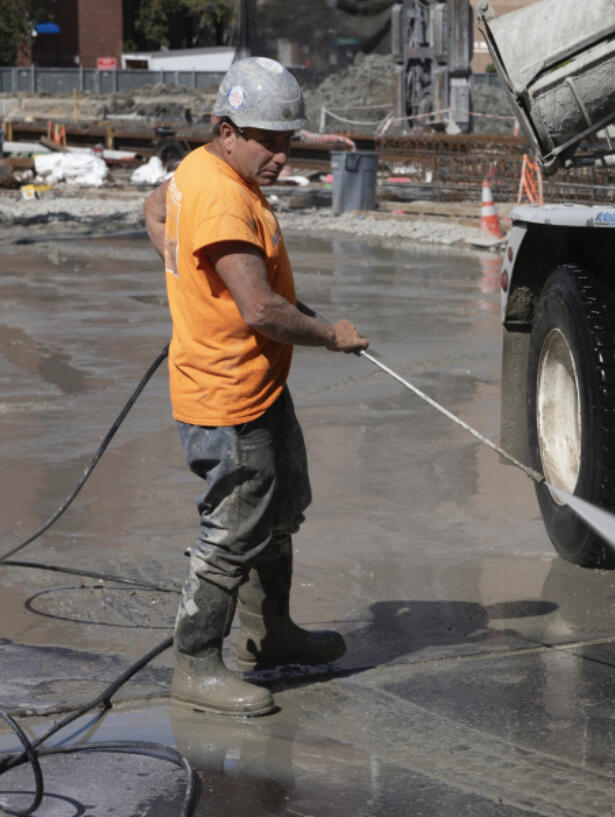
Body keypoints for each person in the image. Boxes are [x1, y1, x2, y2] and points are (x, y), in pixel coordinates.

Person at [143, 56, 368, 716]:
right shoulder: (217, 192)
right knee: (234, 528)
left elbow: (153, 210)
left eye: (288, 140)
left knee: (282, 504)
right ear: (226, 128)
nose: (281, 155)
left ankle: (272, 634)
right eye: (268, 140)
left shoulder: (200, 172)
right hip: (226, 397)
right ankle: (197, 661)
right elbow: (260, 309)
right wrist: (333, 334)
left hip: (261, 382)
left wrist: (178, 266)